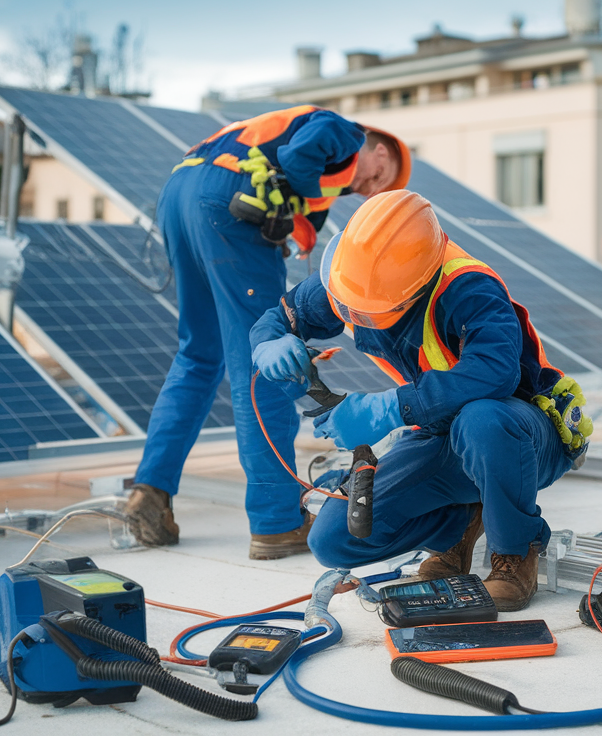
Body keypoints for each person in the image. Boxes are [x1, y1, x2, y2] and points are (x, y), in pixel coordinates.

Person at [249, 190, 592, 611]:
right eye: (348, 307)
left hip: (523, 432)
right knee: (334, 538)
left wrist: (387, 409)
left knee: (482, 420)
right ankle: (457, 529)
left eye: (370, 313)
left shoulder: (469, 287)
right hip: (441, 428)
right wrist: (269, 342)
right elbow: (280, 315)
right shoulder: (353, 273)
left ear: (414, 288)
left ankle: (516, 552)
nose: (355, 317)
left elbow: (495, 373)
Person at [125, 106, 410, 559]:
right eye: (380, 176)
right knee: (261, 363)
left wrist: (299, 226)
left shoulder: (285, 151)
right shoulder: (345, 132)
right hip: (226, 200)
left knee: (198, 356)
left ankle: (150, 494)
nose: (370, 188)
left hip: (179, 195)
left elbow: (294, 180)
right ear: (378, 149)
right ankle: (277, 521)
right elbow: (301, 156)